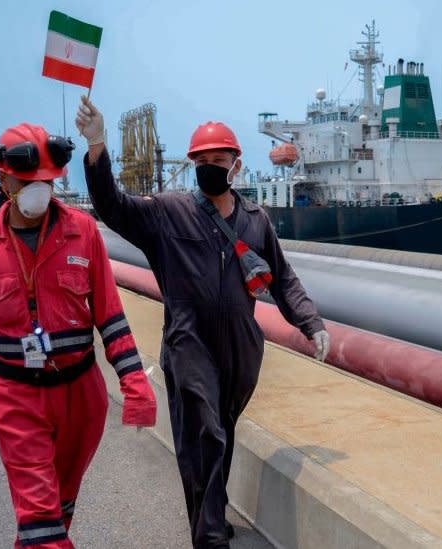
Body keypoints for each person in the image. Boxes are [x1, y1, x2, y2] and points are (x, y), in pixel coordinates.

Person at [78, 97, 330, 548]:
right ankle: (210, 535)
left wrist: (312, 323)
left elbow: (283, 278)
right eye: (202, 160)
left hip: (239, 346)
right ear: (192, 164)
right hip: (187, 340)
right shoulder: (167, 212)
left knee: (219, 433)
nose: (210, 166)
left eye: (219, 159)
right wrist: (97, 146)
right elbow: (111, 206)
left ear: (236, 165)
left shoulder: (256, 220)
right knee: (206, 432)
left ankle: (207, 516)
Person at [0, 122, 156, 549]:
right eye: (28, 181)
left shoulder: (84, 232)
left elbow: (110, 318)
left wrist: (134, 383)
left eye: (47, 182)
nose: (40, 190)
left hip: (81, 398)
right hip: (16, 399)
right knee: (41, 519)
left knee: (57, 510)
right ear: (3, 177)